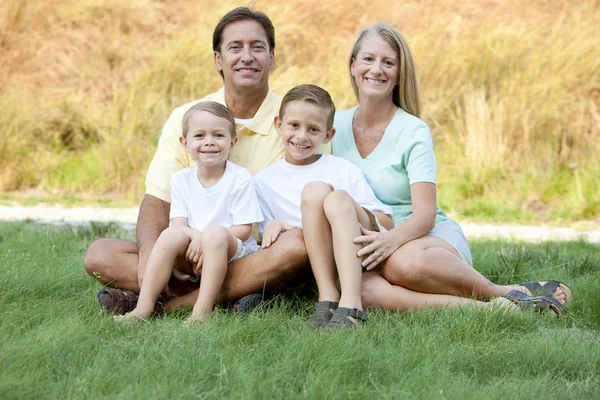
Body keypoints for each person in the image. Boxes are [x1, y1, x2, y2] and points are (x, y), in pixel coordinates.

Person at [85, 7, 327, 313]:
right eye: (235, 47)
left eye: (258, 47)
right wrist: (149, 254)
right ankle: (237, 296)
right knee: (100, 255)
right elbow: (157, 200)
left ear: (272, 58)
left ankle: (168, 304)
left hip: (257, 253)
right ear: (218, 59)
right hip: (190, 251)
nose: (247, 57)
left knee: (298, 247)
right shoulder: (187, 118)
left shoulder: (298, 122)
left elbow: (314, 210)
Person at [331, 23, 572, 315]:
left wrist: (389, 242)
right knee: (363, 292)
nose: (377, 69)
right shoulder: (333, 127)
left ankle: (506, 292)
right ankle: (491, 310)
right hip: (370, 245)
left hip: (424, 240)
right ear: (353, 65)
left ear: (398, 75)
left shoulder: (413, 131)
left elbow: (425, 215)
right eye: (368, 59)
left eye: (388, 62)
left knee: (402, 265)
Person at [254, 84, 394, 330]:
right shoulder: (263, 182)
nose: (302, 136)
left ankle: (351, 305)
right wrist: (271, 225)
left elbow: (384, 222)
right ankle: (328, 298)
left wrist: (338, 207)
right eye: (294, 125)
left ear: (328, 135)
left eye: (313, 129)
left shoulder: (341, 169)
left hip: (355, 248)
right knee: (383, 295)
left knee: (323, 193)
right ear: (279, 125)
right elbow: (259, 239)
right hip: (316, 265)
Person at [114, 102, 263, 324]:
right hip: (193, 248)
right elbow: (178, 225)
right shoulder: (181, 179)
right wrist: (197, 238)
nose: (209, 141)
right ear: (185, 143)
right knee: (169, 235)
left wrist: (205, 237)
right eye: (200, 135)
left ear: (232, 143)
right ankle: (143, 308)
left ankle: (201, 313)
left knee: (214, 234)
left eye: (218, 135)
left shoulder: (240, 178)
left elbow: (243, 229)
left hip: (232, 250)